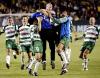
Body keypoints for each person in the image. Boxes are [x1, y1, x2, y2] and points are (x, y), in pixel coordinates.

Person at [50, 6, 72, 75]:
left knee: (59, 50)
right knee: (62, 51)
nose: (63, 13)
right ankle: (65, 68)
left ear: (67, 14)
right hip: (63, 37)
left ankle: (65, 62)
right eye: (62, 12)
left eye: (64, 12)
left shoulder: (66, 18)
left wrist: (50, 16)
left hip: (65, 37)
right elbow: (55, 23)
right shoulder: (64, 19)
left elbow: (58, 21)